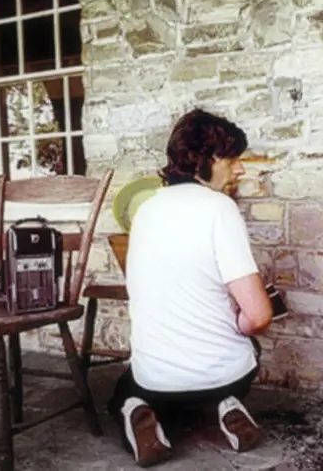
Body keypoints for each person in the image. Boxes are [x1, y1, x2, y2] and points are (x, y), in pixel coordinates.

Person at [107, 109, 274, 467]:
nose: (240, 168)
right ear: (210, 159)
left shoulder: (146, 211)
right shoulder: (219, 209)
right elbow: (259, 315)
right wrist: (237, 323)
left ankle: (142, 413)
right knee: (250, 348)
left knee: (126, 387)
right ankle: (225, 404)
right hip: (224, 375)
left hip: (156, 379)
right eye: (233, 159)